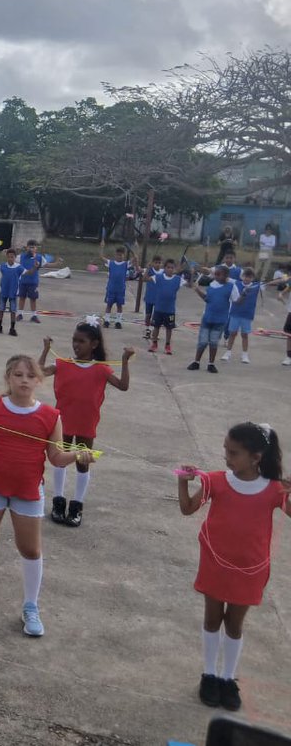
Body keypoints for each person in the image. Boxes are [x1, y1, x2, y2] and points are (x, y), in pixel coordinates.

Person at [0, 355, 93, 637]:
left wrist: (78, 455)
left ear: (38, 380)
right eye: (17, 375)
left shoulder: (51, 416)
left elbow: (57, 457)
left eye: (29, 375)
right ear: (8, 378)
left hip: (27, 491)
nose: (24, 380)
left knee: (31, 550)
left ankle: (31, 606)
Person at [177, 422, 289, 711]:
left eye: (234, 452)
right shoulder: (216, 480)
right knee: (213, 619)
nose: (227, 457)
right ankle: (209, 673)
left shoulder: (275, 490)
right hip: (216, 562)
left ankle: (228, 677)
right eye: (226, 450)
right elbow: (188, 508)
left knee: (235, 624)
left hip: (251, 567)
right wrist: (183, 481)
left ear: (256, 457)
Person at [39, 319, 133, 527]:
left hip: (86, 423)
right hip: (62, 421)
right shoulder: (63, 363)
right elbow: (38, 372)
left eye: (81, 341)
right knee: (60, 459)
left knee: (83, 462)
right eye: (74, 340)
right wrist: (45, 350)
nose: (76, 345)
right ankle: (59, 500)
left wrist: (125, 360)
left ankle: (77, 505)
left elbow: (124, 386)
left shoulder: (101, 369)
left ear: (94, 345)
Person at [188, 265, 240, 372]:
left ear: (226, 276)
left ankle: (211, 363)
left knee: (213, 342)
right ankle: (196, 362)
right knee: (202, 342)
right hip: (207, 318)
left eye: (218, 274)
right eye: (215, 274)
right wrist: (197, 290)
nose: (215, 276)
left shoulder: (231, 287)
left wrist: (244, 295)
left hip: (220, 320)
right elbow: (207, 299)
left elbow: (237, 301)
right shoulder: (211, 285)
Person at [222, 269, 261, 364]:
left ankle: (245, 355)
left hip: (247, 315)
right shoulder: (236, 283)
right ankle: (228, 352)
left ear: (253, 278)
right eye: (246, 276)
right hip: (235, 313)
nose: (247, 278)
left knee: (244, 335)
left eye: (250, 277)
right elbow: (224, 278)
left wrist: (286, 278)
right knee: (232, 334)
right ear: (242, 276)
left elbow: (273, 282)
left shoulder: (256, 286)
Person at [147, 258, 185, 354]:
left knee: (169, 328)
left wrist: (192, 274)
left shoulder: (178, 279)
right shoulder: (158, 277)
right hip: (159, 308)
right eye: (168, 267)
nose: (170, 269)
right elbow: (145, 279)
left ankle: (167, 345)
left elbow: (190, 284)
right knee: (156, 327)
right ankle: (154, 344)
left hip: (170, 310)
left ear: (175, 269)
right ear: (164, 268)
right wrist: (148, 269)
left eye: (172, 268)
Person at [16, 240, 50, 324]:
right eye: (30, 247)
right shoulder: (21, 256)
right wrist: (6, 253)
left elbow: (47, 265)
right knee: (22, 298)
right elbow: (13, 260)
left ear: (36, 248)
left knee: (33, 299)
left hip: (33, 282)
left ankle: (34, 316)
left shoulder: (39, 257)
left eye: (33, 247)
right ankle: (20, 314)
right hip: (22, 281)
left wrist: (57, 263)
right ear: (26, 247)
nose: (31, 249)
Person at [99, 245, 130, 329]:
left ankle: (118, 321)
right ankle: (107, 321)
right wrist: (102, 247)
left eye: (121, 255)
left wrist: (136, 249)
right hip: (111, 289)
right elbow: (101, 257)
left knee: (119, 306)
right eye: (118, 254)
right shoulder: (111, 263)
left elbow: (136, 259)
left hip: (120, 289)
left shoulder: (126, 264)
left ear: (124, 255)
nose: (119, 256)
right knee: (109, 305)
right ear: (115, 255)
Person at [141, 255, 163, 342]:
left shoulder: (162, 272)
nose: (157, 264)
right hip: (150, 297)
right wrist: (147, 268)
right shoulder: (150, 271)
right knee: (148, 315)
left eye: (159, 263)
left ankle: (155, 332)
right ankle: (147, 329)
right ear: (153, 263)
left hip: (159, 298)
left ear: (161, 264)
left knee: (156, 316)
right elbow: (144, 279)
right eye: (156, 262)